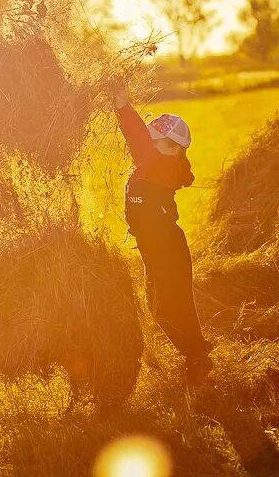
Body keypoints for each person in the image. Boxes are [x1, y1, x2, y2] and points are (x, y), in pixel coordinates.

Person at [113, 88, 214, 382]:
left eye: (152, 141)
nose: (145, 146)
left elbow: (136, 141)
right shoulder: (156, 165)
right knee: (160, 307)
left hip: (167, 248)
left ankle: (197, 356)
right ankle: (195, 353)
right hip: (155, 248)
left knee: (170, 305)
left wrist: (123, 108)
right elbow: (142, 145)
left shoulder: (163, 166)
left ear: (171, 147)